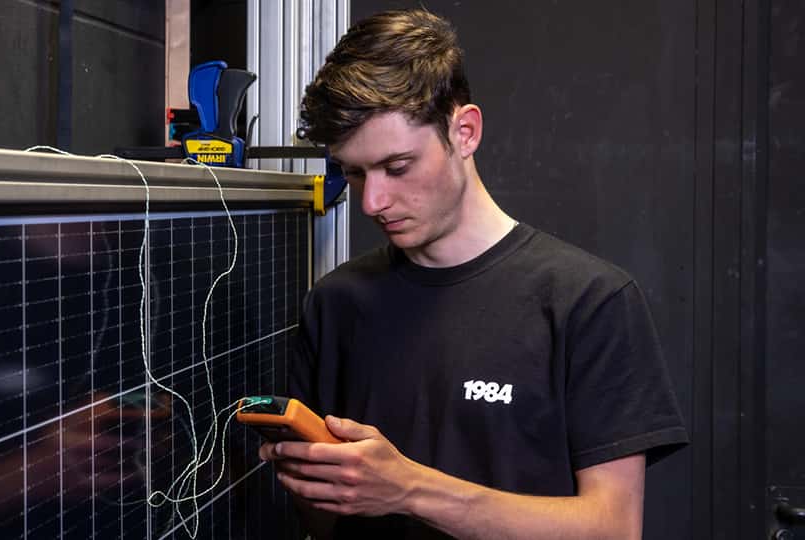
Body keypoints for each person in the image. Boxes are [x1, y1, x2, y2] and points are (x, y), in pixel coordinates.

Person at [259, 8, 688, 539]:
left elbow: (613, 528)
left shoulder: (589, 302)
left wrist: (410, 489)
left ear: (464, 132)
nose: (373, 201)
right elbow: (324, 519)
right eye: (354, 172)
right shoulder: (335, 303)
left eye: (397, 167)